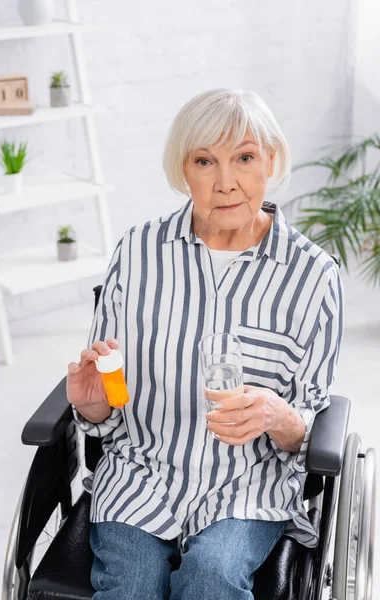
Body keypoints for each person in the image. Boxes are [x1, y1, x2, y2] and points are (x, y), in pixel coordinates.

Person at [67, 88, 344, 600]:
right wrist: (93, 405)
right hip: (141, 471)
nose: (225, 182)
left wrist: (276, 417)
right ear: (183, 170)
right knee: (131, 585)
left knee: (212, 578)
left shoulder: (313, 277)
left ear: (272, 161)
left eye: (244, 158)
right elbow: (111, 393)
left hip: (248, 484)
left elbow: (306, 422)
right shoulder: (138, 253)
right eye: (204, 161)